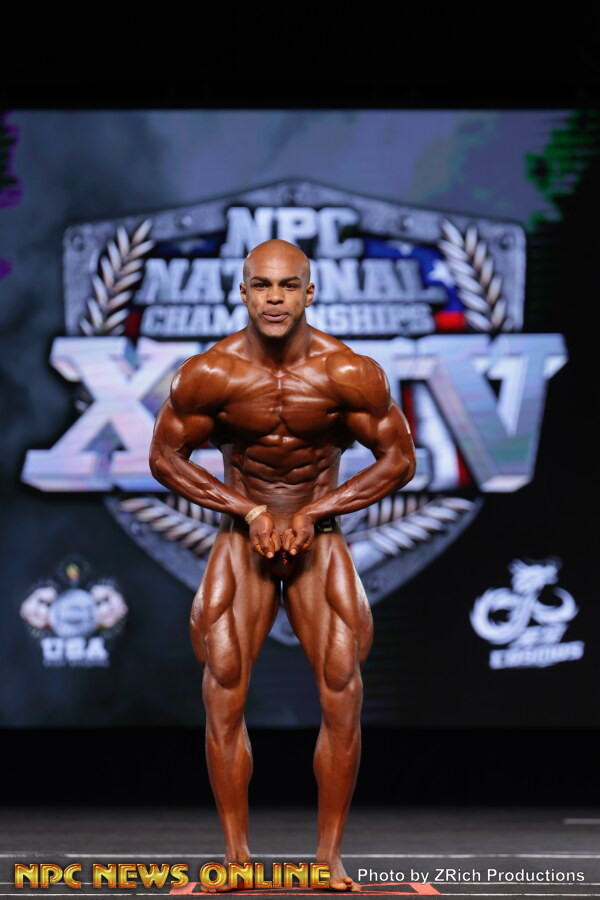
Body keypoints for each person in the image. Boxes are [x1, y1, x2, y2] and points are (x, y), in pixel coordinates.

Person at [149, 239, 416, 891]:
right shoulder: (209, 374)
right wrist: (247, 510)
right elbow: (164, 458)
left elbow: (399, 460)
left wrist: (316, 508)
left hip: (317, 535)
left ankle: (327, 860)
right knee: (222, 687)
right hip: (243, 538)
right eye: (262, 286)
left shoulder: (348, 372)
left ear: (309, 292)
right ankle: (236, 862)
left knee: (343, 690)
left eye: (288, 286)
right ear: (242, 292)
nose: (274, 298)